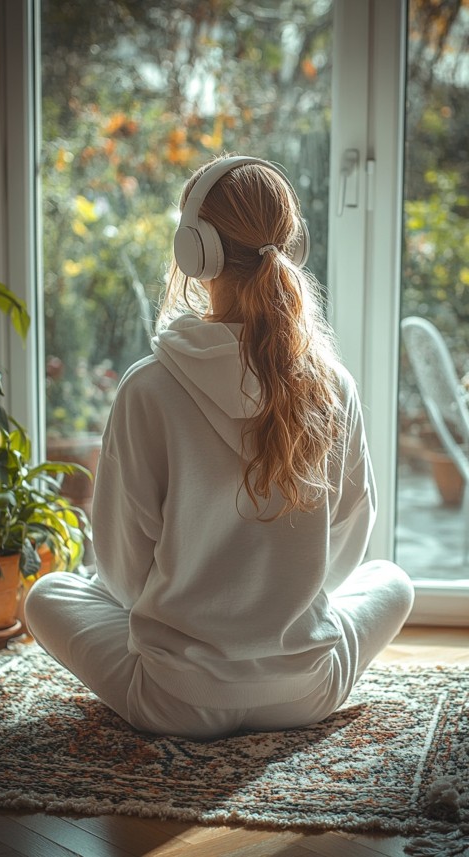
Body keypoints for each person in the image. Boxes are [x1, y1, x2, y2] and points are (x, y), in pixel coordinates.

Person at [25, 155, 414, 740]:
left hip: (175, 699)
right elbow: (349, 543)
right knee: (391, 579)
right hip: (306, 690)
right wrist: (283, 607)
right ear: (292, 245)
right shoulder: (333, 385)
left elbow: (121, 569)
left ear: (193, 250)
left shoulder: (147, 387)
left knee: (46, 594)